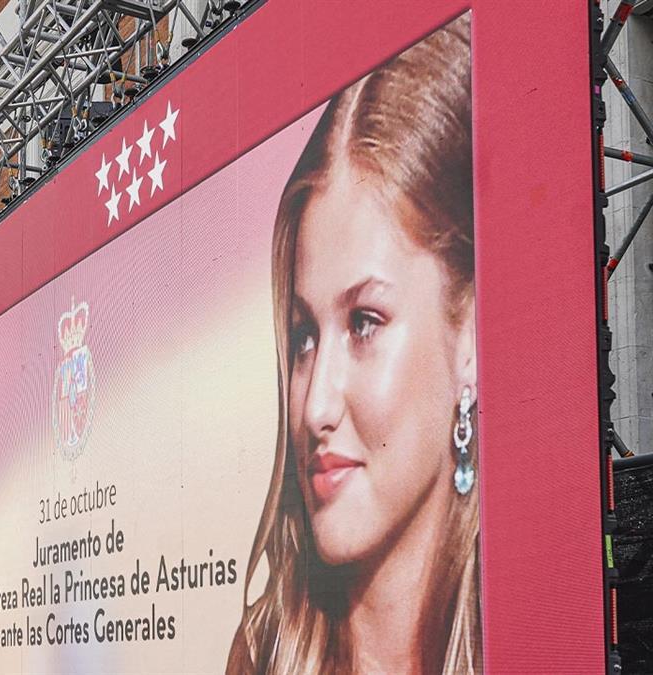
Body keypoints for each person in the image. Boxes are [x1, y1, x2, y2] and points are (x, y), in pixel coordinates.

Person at [227, 14, 480, 675]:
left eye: (365, 321)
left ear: (471, 335)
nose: (315, 407)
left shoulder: (529, 625)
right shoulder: (265, 653)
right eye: (304, 336)